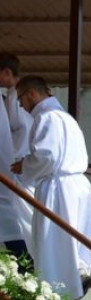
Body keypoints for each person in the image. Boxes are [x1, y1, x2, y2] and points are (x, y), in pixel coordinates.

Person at [12, 76, 91, 300]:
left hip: (59, 187)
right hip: (77, 185)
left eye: (20, 99)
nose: (20, 105)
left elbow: (46, 157)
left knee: (53, 239)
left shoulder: (45, 117)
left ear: (31, 94)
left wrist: (24, 166)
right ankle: (77, 275)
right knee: (71, 236)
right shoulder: (66, 118)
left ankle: (58, 290)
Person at [0, 53, 32, 258]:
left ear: (6, 73)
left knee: (15, 223)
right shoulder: (14, 97)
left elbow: (10, 131)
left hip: (17, 170)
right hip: (20, 170)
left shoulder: (15, 99)